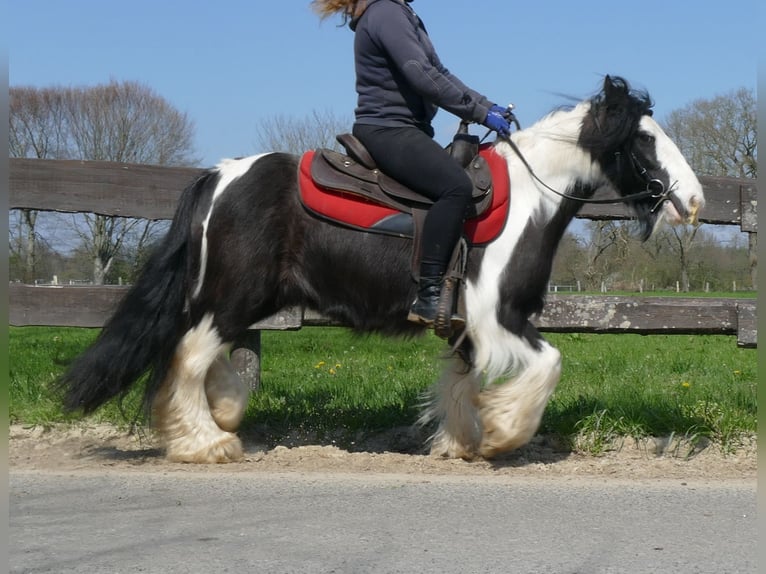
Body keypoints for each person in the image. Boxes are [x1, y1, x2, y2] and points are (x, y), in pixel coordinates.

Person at [311, 0, 511, 327]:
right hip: (388, 129)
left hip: (407, 129)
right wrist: (477, 112)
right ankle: (429, 295)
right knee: (455, 186)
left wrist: (487, 105)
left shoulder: (401, 13)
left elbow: (440, 73)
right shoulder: (386, 12)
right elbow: (420, 75)